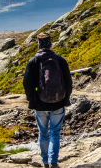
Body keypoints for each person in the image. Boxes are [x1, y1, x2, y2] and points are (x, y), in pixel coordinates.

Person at [23, 33, 72, 168]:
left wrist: (32, 100)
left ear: (38, 44)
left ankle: (45, 162)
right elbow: (68, 82)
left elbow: (27, 84)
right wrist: (65, 98)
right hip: (58, 102)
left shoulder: (33, 61)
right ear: (50, 44)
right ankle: (53, 161)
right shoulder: (60, 60)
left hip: (40, 104)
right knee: (55, 132)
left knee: (43, 133)